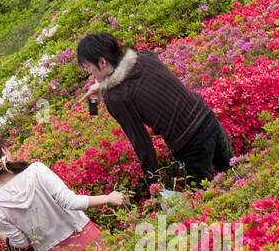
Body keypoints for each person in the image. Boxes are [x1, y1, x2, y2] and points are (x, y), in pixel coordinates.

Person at [77, 32, 232, 188]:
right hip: (209, 118)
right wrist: (103, 86)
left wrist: (153, 184)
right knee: (234, 179)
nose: (90, 73)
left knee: (206, 199)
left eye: (89, 66)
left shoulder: (116, 97)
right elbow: (130, 77)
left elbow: (142, 143)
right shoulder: (144, 56)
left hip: (189, 142)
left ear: (102, 62)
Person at [0, 132, 125, 251]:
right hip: (86, 238)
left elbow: (21, 242)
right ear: (4, 151)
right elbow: (70, 201)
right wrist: (108, 198)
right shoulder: (36, 170)